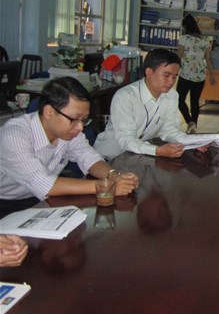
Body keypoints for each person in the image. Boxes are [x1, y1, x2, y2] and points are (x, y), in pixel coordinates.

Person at [0, 77, 139, 219]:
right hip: (6, 204)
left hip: (41, 199)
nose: (80, 127)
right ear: (49, 112)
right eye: (74, 119)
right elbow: (46, 184)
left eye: (84, 120)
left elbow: (89, 158)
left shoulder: (67, 131)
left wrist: (114, 176)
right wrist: (106, 186)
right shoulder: (14, 136)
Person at [94, 48, 208, 159]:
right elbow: (126, 139)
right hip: (109, 157)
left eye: (174, 77)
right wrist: (157, 151)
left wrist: (192, 142)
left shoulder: (172, 95)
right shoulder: (125, 96)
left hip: (136, 156)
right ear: (149, 72)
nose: (171, 82)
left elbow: (169, 130)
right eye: (166, 75)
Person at [177, 14, 216, 134]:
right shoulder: (205, 40)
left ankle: (190, 122)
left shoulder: (184, 39)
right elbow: (208, 59)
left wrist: (173, 73)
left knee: (179, 100)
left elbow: (179, 57)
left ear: (185, 26)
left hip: (186, 74)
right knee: (195, 101)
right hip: (200, 76)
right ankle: (193, 127)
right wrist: (212, 75)